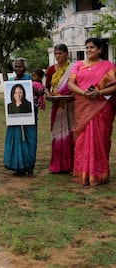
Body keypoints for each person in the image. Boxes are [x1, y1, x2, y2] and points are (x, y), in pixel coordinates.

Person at [67, 37, 116, 186]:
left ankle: (98, 174)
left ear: (100, 49)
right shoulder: (78, 65)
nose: (88, 50)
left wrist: (99, 93)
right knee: (82, 140)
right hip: (83, 106)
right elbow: (70, 84)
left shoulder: (108, 66)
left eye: (92, 47)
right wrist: (83, 93)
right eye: (87, 47)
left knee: (100, 139)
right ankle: (83, 173)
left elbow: (114, 87)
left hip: (101, 107)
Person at [4, 58, 37, 176]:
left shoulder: (30, 79)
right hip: (14, 118)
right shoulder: (11, 81)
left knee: (29, 140)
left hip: (29, 116)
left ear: (25, 68)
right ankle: (18, 167)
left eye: (20, 66)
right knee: (16, 139)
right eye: (16, 67)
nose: (18, 69)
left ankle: (29, 166)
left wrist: (34, 89)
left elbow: (40, 92)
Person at [45, 44, 75, 173]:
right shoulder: (51, 69)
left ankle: (71, 165)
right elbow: (46, 87)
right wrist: (48, 94)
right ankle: (57, 166)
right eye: (56, 54)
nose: (58, 56)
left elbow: (76, 85)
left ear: (66, 54)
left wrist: (72, 95)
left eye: (60, 53)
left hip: (70, 105)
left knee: (71, 134)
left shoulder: (73, 68)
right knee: (57, 135)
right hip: (57, 105)